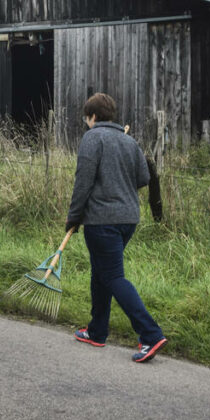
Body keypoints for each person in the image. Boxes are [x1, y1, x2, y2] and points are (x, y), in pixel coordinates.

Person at [67, 92, 167, 362]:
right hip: (128, 219)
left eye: (86, 118)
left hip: (102, 220)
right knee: (101, 272)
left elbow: (83, 182)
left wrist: (73, 217)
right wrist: (120, 185)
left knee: (112, 276)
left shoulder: (92, 138)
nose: (86, 122)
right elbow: (144, 177)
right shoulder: (128, 141)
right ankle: (97, 331)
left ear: (93, 117)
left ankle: (151, 334)